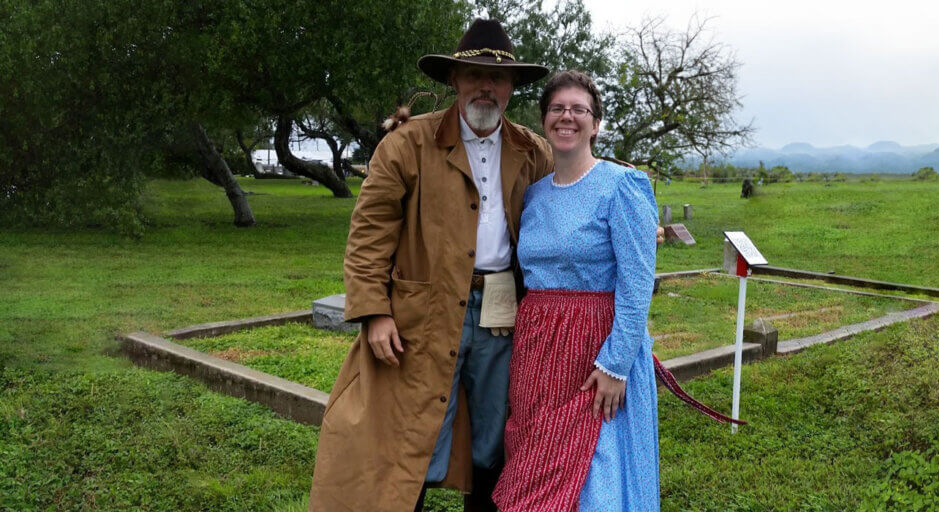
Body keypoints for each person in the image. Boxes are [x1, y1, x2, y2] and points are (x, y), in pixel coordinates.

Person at [307, 19, 552, 512]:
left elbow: (573, 194)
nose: (486, 86)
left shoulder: (531, 150)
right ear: (454, 80)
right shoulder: (407, 144)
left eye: (498, 78)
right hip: (421, 315)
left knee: (494, 436)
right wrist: (374, 312)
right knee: (409, 436)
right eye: (474, 74)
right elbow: (370, 233)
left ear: (511, 88)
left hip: (503, 316)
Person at [492, 71, 742, 512]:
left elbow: (637, 282)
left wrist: (615, 364)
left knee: (596, 479)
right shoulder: (533, 196)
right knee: (535, 473)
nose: (567, 117)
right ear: (544, 118)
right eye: (557, 108)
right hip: (538, 355)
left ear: (596, 123)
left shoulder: (621, 186)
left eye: (579, 110)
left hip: (597, 350)